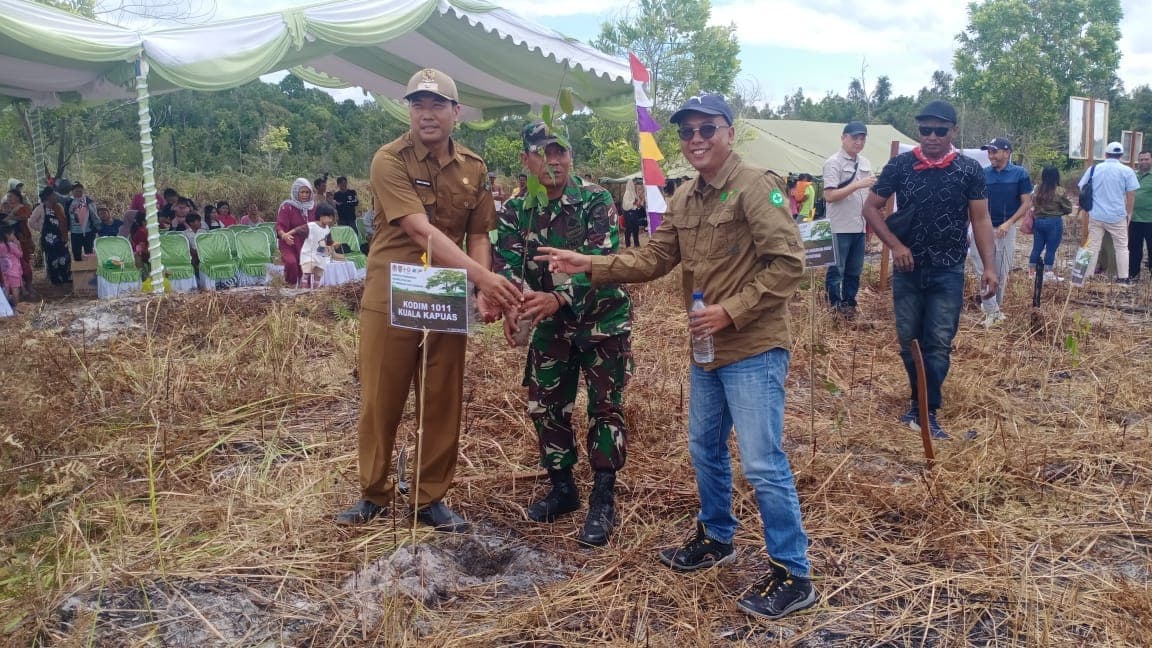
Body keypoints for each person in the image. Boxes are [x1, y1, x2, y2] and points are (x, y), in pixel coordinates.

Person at [538, 93, 817, 620]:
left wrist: (731, 311)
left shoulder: (758, 186)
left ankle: (793, 571)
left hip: (752, 346)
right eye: (686, 132)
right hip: (706, 349)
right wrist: (588, 263)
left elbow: (788, 264)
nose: (695, 140)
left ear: (729, 132)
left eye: (706, 129)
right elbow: (652, 258)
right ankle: (716, 537)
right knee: (704, 449)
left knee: (761, 461)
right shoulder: (686, 196)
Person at [334, 68, 520, 531]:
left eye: (438, 105)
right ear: (409, 111)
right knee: (382, 394)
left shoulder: (474, 169)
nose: (427, 114)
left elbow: (478, 234)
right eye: (418, 104)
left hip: (444, 294)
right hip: (391, 291)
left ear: (457, 113)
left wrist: (481, 289)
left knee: (442, 397)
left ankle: (428, 496)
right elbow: (419, 229)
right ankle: (373, 492)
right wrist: (484, 278)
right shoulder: (389, 160)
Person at [492, 122, 633, 547]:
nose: (554, 161)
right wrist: (511, 305)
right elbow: (507, 266)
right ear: (526, 160)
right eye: (544, 153)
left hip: (601, 321)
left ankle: (603, 499)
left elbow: (602, 258)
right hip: (550, 327)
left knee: (605, 409)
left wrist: (558, 298)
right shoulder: (517, 211)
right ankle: (563, 488)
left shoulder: (596, 200)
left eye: (561, 152)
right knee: (546, 406)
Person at [863, 99, 998, 440]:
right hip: (908, 270)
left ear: (953, 131)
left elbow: (981, 220)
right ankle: (916, 402)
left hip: (948, 270)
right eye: (926, 130)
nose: (932, 137)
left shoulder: (969, 170)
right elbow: (871, 208)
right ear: (919, 130)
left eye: (940, 130)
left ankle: (927, 411)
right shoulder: (901, 166)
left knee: (938, 342)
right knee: (909, 341)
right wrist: (895, 246)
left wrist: (990, 267)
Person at [970, 138, 1032, 326]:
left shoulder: (1019, 174)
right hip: (982, 229)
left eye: (994, 151)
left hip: (1005, 229)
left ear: (1007, 152)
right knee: (981, 268)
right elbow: (972, 202)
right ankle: (993, 312)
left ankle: (995, 309)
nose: (991, 156)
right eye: (989, 152)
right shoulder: (982, 174)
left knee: (1001, 271)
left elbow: (1026, 203)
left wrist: (1009, 222)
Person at [822, 121, 876, 318]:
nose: (859, 142)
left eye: (862, 139)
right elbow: (829, 195)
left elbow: (869, 193)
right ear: (843, 138)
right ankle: (834, 305)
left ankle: (849, 303)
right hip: (839, 226)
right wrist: (857, 184)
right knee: (837, 269)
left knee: (855, 269)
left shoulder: (865, 163)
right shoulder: (833, 163)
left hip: (859, 225)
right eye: (855, 138)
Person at [1079, 141, 1139, 286]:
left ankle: (1087, 277)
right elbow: (1131, 194)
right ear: (1121, 155)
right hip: (1117, 216)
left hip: (1096, 215)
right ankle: (1123, 279)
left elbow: (1082, 187)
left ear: (1105, 154)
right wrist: (1128, 214)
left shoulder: (1094, 169)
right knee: (1122, 247)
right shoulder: (1127, 171)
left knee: (1092, 246)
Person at [1029, 166, 1073, 282]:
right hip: (1054, 222)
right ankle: (1048, 273)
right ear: (1056, 176)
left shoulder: (1037, 189)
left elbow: (1032, 203)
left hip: (1038, 222)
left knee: (1036, 248)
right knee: (1051, 249)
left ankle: (1032, 272)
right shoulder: (1059, 190)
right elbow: (1068, 208)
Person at [275, 178, 316, 287]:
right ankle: (290, 287)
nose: (305, 195)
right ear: (296, 191)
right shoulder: (287, 206)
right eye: (302, 192)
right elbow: (279, 226)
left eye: (307, 192)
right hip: (289, 243)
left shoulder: (313, 207)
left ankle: (303, 295)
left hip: (305, 243)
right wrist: (284, 235)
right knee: (291, 263)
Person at [35, 186, 71, 284]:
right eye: (53, 194)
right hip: (48, 239)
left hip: (61, 236)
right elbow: (31, 222)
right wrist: (41, 228)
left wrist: (65, 234)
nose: (55, 196)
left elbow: (64, 221)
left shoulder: (58, 206)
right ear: (48, 196)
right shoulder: (40, 207)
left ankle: (66, 277)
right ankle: (55, 279)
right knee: (52, 258)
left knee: (64, 257)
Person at [300, 203, 340, 288]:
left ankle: (315, 292)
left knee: (317, 276)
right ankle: (303, 291)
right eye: (328, 217)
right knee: (306, 274)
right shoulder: (311, 226)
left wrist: (334, 243)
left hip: (320, 254)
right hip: (309, 254)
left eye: (331, 217)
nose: (330, 220)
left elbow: (329, 241)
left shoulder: (327, 228)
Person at [1128, 150, 1152, 281]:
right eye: (1141, 159)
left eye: (1146, 159)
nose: (1143, 162)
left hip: (1150, 220)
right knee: (1134, 248)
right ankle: (1133, 275)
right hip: (1134, 219)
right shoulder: (1133, 175)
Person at [64, 182, 98, 260]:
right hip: (75, 232)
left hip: (88, 231)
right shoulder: (69, 202)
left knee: (89, 253)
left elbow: (94, 215)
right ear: (72, 192)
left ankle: (90, 270)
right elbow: (66, 216)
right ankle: (78, 270)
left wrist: (96, 228)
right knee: (76, 253)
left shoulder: (88, 201)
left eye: (80, 191)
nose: (79, 193)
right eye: (76, 191)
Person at [0, 224, 24, 305]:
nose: (14, 236)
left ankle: (5, 308)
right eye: (13, 234)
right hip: (14, 272)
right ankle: (16, 306)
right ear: (7, 235)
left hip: (4, 271)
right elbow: (20, 255)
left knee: (6, 288)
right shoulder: (12, 245)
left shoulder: (0, 246)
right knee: (15, 289)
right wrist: (19, 245)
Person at [622, 177, 647, 248]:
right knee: (628, 229)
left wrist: (639, 202)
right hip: (629, 213)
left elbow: (637, 204)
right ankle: (628, 245)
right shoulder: (627, 194)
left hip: (634, 213)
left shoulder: (634, 193)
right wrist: (633, 202)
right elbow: (625, 205)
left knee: (636, 228)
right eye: (633, 183)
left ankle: (637, 244)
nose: (634, 185)